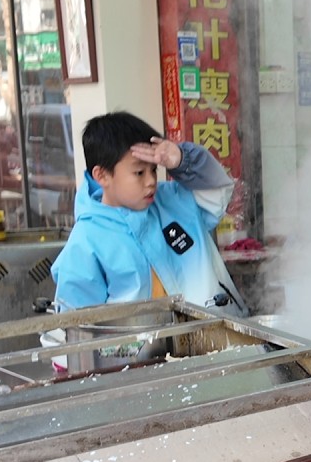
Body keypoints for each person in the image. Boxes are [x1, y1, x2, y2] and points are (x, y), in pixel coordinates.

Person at [51, 111, 247, 316]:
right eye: (139, 173)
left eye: (154, 170)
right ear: (102, 176)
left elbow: (218, 191)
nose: (151, 181)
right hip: (140, 348)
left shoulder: (173, 199)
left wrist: (182, 160)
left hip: (215, 336)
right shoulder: (86, 241)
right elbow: (76, 323)